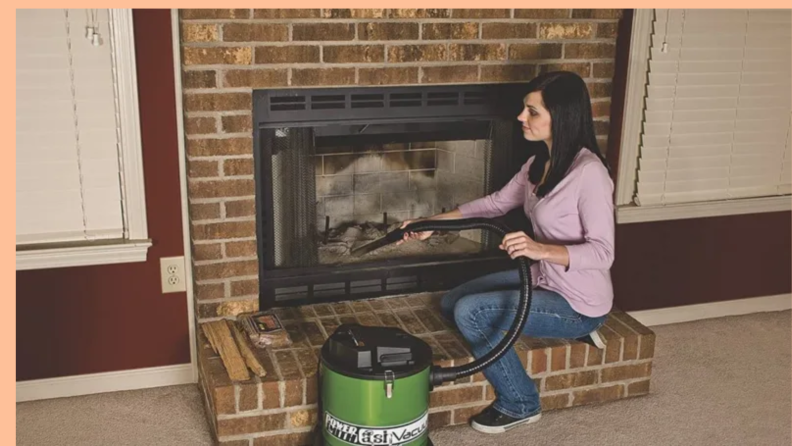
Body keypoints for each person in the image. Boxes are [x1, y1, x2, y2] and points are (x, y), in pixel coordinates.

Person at [398, 71, 615, 434]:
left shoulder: (589, 173)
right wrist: (432, 222)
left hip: (579, 302)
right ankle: (549, 329)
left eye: (532, 112)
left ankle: (520, 402)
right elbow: (495, 203)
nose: (520, 118)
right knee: (454, 302)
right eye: (524, 110)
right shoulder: (539, 164)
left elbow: (603, 252)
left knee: (472, 314)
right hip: (544, 279)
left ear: (561, 117)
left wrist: (537, 248)